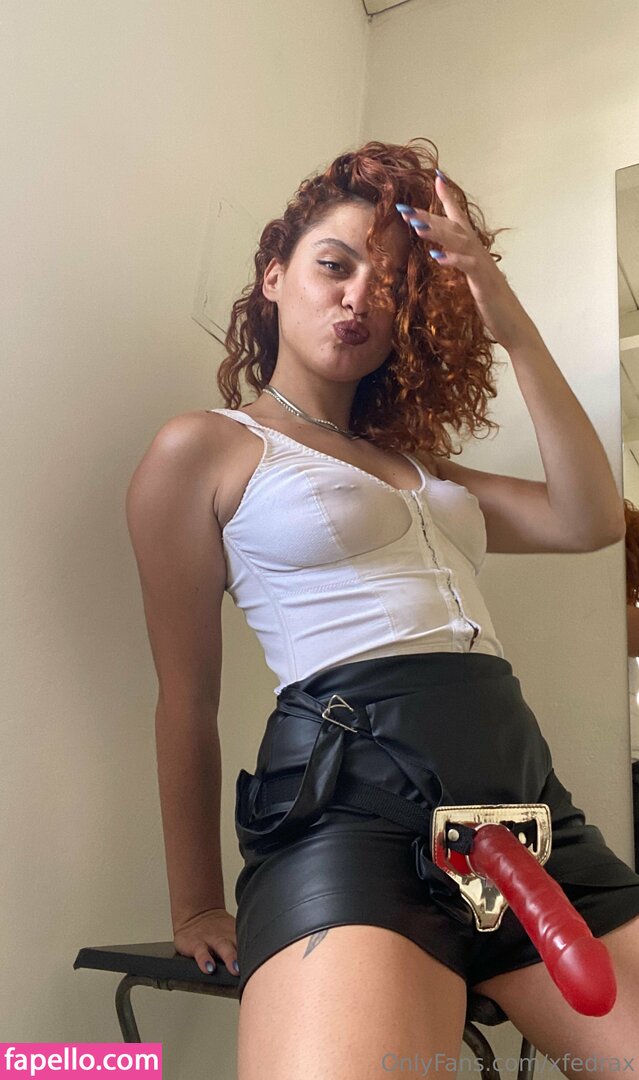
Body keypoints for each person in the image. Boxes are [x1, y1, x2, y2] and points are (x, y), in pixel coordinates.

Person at [126, 138, 639, 1076]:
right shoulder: (204, 449)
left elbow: (589, 518)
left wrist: (511, 323)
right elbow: (185, 699)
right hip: (350, 810)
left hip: (524, 804)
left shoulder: (423, 471)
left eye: (392, 284)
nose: (359, 296)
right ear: (274, 276)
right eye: (334, 265)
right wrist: (194, 901)